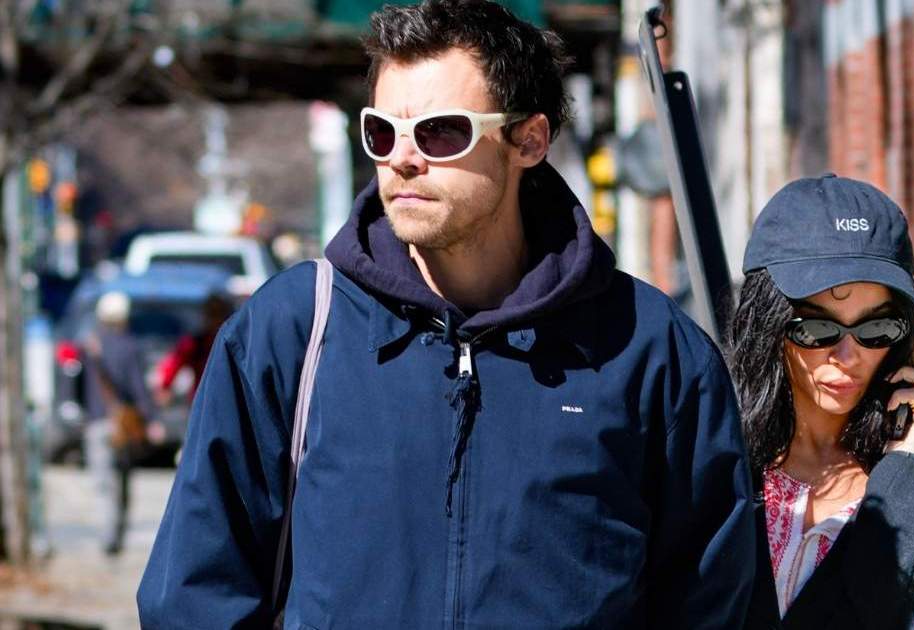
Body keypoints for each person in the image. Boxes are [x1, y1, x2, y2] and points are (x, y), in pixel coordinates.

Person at [137, 1, 754, 627]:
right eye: (383, 133)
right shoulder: (293, 332)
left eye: (440, 132)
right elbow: (193, 596)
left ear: (528, 140)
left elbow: (712, 602)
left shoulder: (649, 348)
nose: (403, 158)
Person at [729, 175, 914, 628]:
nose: (848, 357)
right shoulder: (717, 466)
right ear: (767, 326)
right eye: (817, 329)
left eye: (876, 329)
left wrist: (907, 473)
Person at [83, 290, 155, 556]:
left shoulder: (91, 346)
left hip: (96, 421)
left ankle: (108, 537)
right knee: (122, 480)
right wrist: (151, 418)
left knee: (103, 484)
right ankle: (117, 534)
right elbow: (138, 387)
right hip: (123, 424)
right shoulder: (130, 346)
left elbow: (75, 383)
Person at [155, 292, 234, 403]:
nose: (215, 319)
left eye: (218, 313)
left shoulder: (234, 342)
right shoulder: (196, 343)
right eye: (212, 314)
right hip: (203, 401)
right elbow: (174, 362)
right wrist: (165, 386)